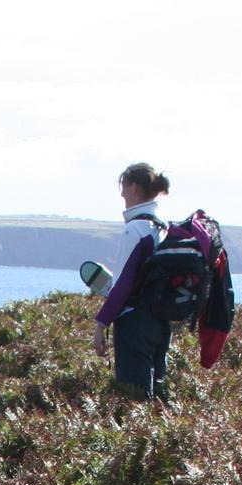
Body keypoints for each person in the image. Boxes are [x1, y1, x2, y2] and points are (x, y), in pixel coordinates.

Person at [93, 162, 173, 400]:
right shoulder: (162, 226)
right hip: (160, 322)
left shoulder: (135, 229)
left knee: (134, 397)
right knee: (157, 393)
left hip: (134, 323)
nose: (122, 194)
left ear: (135, 187)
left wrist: (101, 325)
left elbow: (123, 285)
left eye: (124, 187)